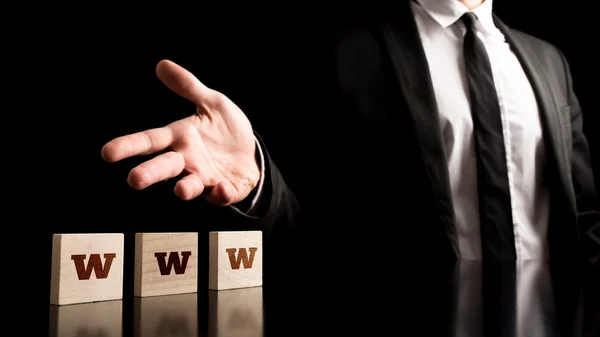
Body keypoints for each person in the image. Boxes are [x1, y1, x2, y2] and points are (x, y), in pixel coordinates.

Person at [101, 0, 599, 272]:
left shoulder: (548, 61)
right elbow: (317, 232)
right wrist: (257, 184)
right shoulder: (342, 50)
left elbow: (583, 221)